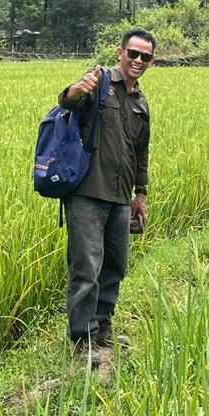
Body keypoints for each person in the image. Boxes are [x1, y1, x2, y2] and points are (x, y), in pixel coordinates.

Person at [56, 29, 155, 367]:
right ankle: (82, 339)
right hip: (87, 192)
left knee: (115, 265)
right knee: (86, 266)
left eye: (145, 56)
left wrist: (140, 194)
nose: (138, 60)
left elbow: (141, 154)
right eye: (133, 53)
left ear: (151, 61)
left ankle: (103, 330)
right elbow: (68, 102)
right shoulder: (98, 82)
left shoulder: (141, 103)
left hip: (120, 197)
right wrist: (73, 90)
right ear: (120, 52)